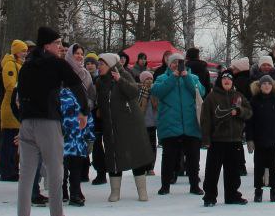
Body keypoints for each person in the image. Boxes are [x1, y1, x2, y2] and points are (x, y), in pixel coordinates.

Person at [13, 27, 89, 216]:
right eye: (57, 43)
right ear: (47, 45)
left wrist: (23, 119)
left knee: (26, 176)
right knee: (55, 170)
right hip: (48, 122)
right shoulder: (56, 64)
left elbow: (16, 97)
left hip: (27, 123)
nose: (61, 47)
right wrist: (84, 110)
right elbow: (78, 86)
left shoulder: (26, 66)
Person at [93, 52, 154, 202]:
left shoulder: (124, 75)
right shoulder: (100, 82)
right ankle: (115, 191)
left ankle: (142, 191)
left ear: (110, 65)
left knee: (136, 155)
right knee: (113, 157)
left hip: (131, 124)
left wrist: (120, 80)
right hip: (111, 126)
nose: (99, 67)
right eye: (98, 64)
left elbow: (133, 92)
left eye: (102, 64)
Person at [152, 50, 207, 196]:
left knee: (193, 157)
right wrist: (173, 78)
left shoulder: (193, 77)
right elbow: (157, 92)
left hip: (190, 123)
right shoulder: (162, 78)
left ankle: (194, 185)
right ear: (169, 64)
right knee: (169, 156)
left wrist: (186, 77)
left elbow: (200, 92)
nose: (177, 65)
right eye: (174, 62)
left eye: (179, 62)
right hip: (170, 122)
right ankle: (165, 185)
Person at [200, 69, 252, 206]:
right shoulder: (212, 97)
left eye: (229, 79)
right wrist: (206, 139)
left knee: (233, 171)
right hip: (217, 140)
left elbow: (249, 112)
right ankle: (210, 197)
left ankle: (232, 195)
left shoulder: (238, 96)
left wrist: (239, 111)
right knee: (212, 171)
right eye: (224, 79)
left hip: (234, 140)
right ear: (220, 81)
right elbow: (205, 119)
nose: (227, 81)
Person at [247, 73, 275, 202]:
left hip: (273, 140)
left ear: (273, 86)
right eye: (264, 83)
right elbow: (250, 122)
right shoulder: (254, 101)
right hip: (259, 140)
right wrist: (250, 139)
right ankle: (258, 191)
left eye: (269, 83)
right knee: (258, 166)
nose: (266, 86)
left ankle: (274, 190)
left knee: (273, 167)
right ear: (259, 86)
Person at [59, 74, 95, 207]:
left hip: (76, 139)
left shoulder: (80, 96)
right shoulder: (58, 95)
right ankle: (64, 192)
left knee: (74, 168)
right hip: (65, 139)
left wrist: (89, 137)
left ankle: (74, 192)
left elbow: (87, 115)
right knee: (63, 168)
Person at [0, 39, 28, 182]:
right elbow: (10, 85)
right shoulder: (10, 65)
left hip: (17, 105)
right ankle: (7, 170)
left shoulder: (19, 64)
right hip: (11, 107)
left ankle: (12, 168)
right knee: (9, 141)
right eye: (23, 50)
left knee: (15, 141)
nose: (25, 53)